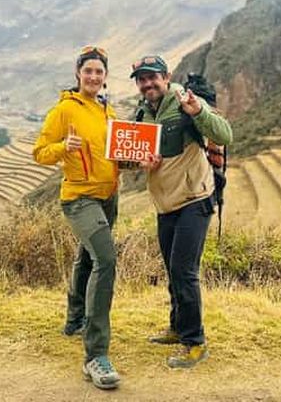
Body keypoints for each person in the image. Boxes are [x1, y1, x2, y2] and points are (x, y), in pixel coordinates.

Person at [129, 54, 232, 368]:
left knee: (184, 272)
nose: (148, 84)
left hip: (195, 198)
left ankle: (195, 342)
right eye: (142, 79)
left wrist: (198, 110)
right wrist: (139, 164)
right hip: (166, 204)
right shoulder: (142, 114)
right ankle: (177, 326)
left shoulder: (185, 100)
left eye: (153, 77)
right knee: (172, 270)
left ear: (166, 76)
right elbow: (130, 160)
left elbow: (224, 134)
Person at [33, 45, 120, 390]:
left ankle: (74, 319)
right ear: (78, 74)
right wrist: (62, 149)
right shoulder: (65, 110)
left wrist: (134, 160)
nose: (94, 77)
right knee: (107, 260)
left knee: (87, 258)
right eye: (89, 71)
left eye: (99, 72)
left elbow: (112, 154)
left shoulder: (108, 111)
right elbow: (40, 152)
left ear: (105, 77)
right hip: (79, 198)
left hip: (108, 197)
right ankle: (95, 356)